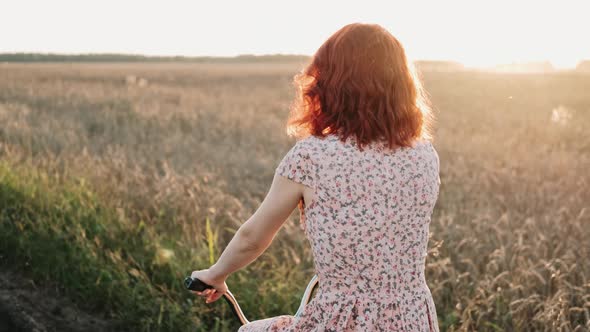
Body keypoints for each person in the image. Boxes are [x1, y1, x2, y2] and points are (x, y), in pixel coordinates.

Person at [191, 22, 441, 331]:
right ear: (401, 85)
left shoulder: (311, 157)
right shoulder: (423, 155)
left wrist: (217, 273)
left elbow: (252, 237)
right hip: (412, 315)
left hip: (342, 320)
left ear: (331, 84)